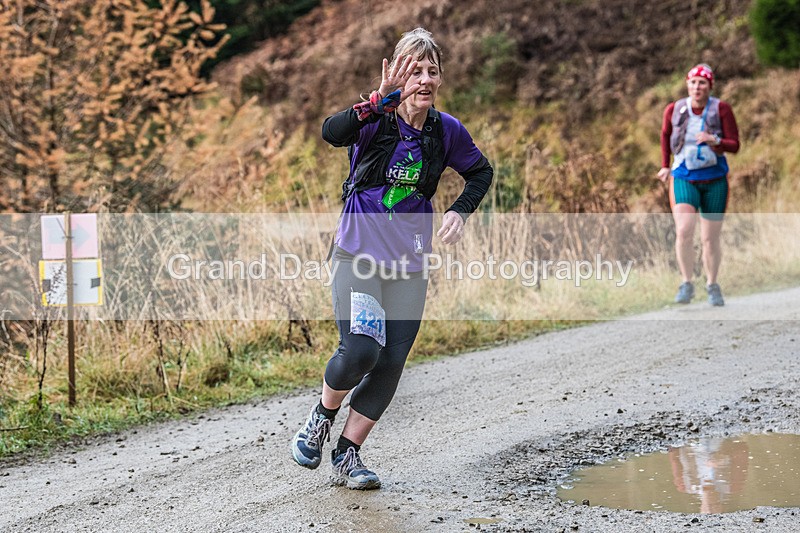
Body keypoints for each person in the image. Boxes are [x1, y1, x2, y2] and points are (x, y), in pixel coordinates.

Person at [290, 28, 493, 489]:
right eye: (413, 69)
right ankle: (321, 418)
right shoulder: (374, 117)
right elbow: (330, 132)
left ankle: (348, 454)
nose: (423, 79)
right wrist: (375, 100)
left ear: (440, 79)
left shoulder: (446, 131)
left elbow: (481, 172)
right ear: (396, 71)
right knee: (362, 348)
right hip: (357, 257)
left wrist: (461, 211)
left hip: (410, 266)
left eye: (431, 70)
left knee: (390, 362)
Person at [657, 64, 739, 306]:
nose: (697, 87)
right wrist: (664, 165)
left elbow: (735, 145)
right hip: (683, 175)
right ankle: (686, 282)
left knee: (709, 238)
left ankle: (712, 284)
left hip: (714, 179)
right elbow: (664, 135)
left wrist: (715, 140)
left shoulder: (721, 109)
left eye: (702, 83)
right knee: (683, 230)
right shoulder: (675, 109)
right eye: (693, 82)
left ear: (710, 86)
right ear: (687, 85)